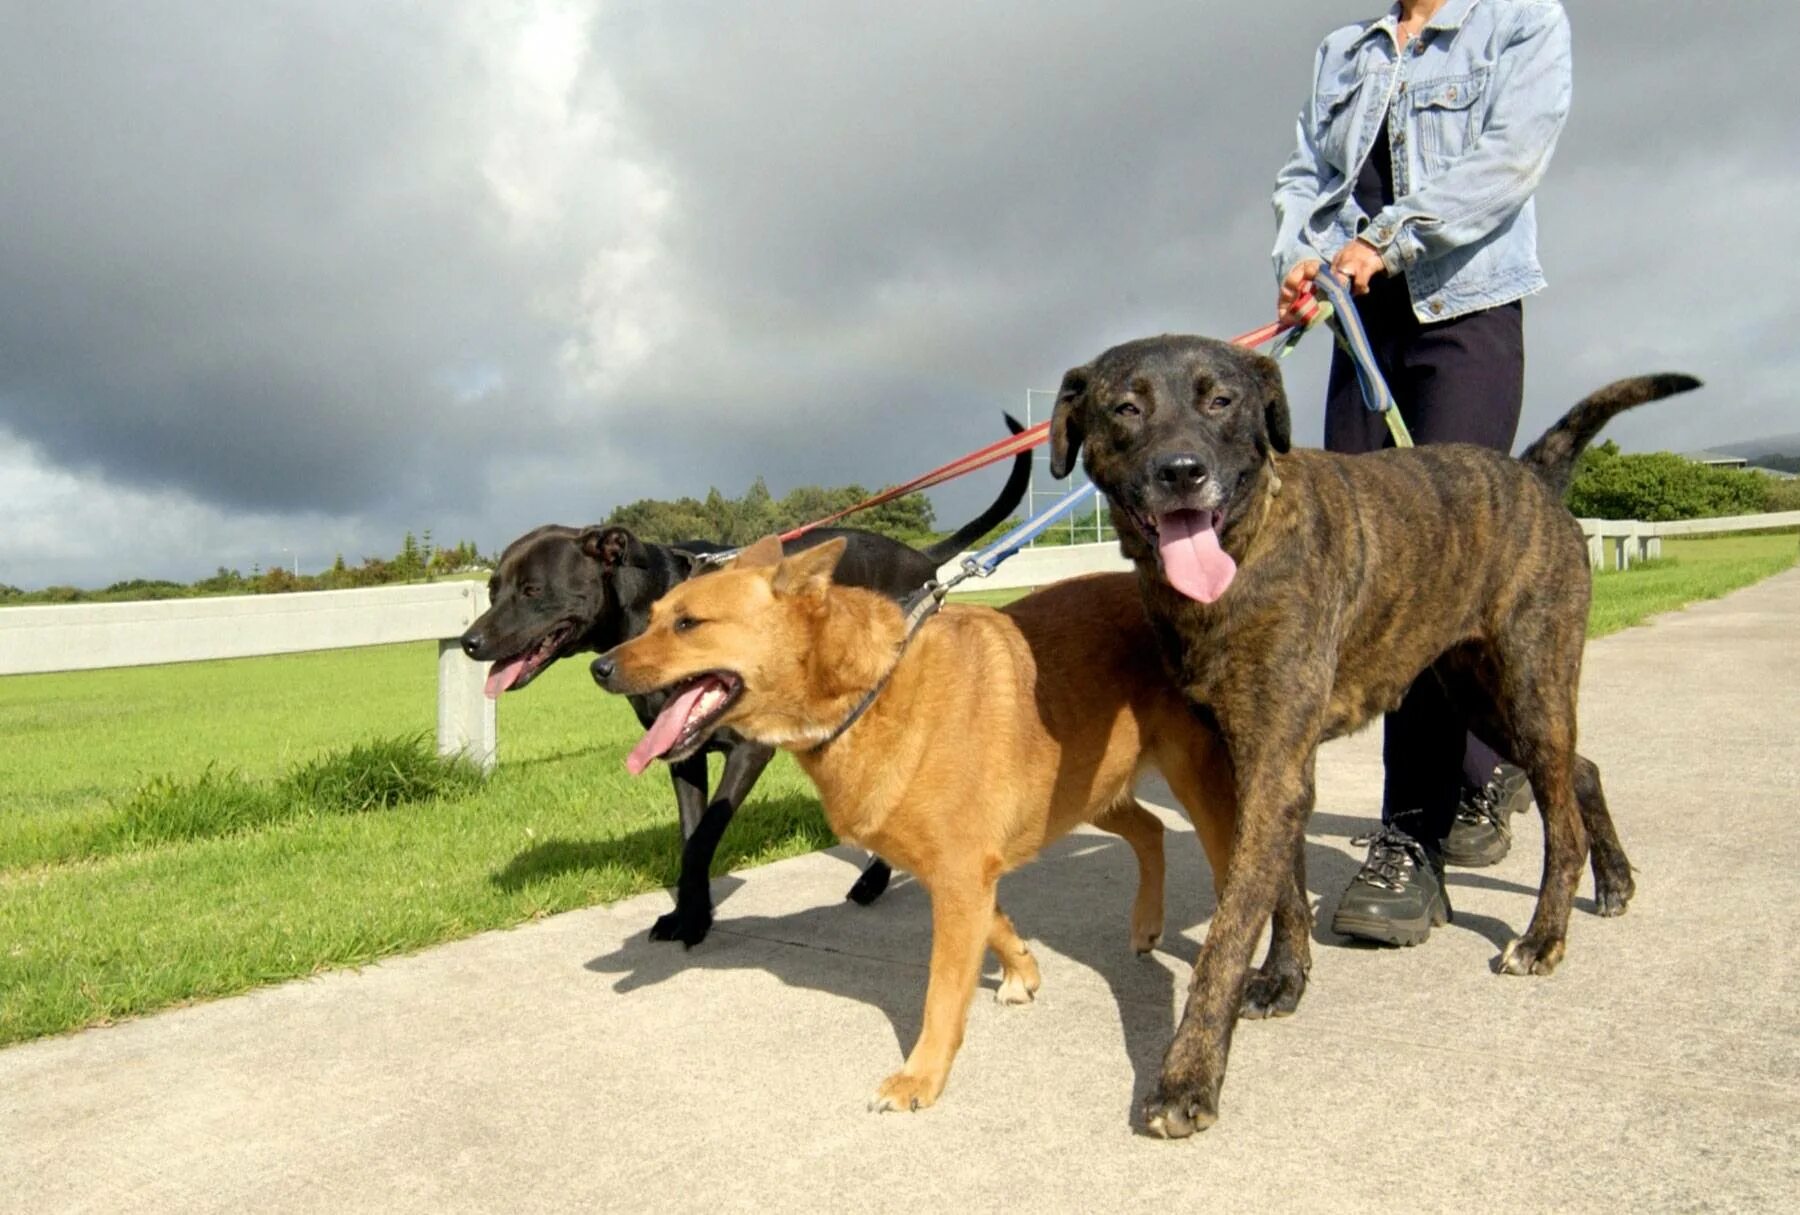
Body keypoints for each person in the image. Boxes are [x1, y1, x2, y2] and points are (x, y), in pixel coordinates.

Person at [1269, 0, 1571, 944]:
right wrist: (1302, 259)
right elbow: (1307, 175)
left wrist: (1387, 239)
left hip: (1465, 312)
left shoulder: (1522, 22)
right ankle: (1485, 762)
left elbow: (1508, 161)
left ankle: (1412, 835)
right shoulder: (1344, 49)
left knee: (1442, 571)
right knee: (1349, 574)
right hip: (1361, 322)